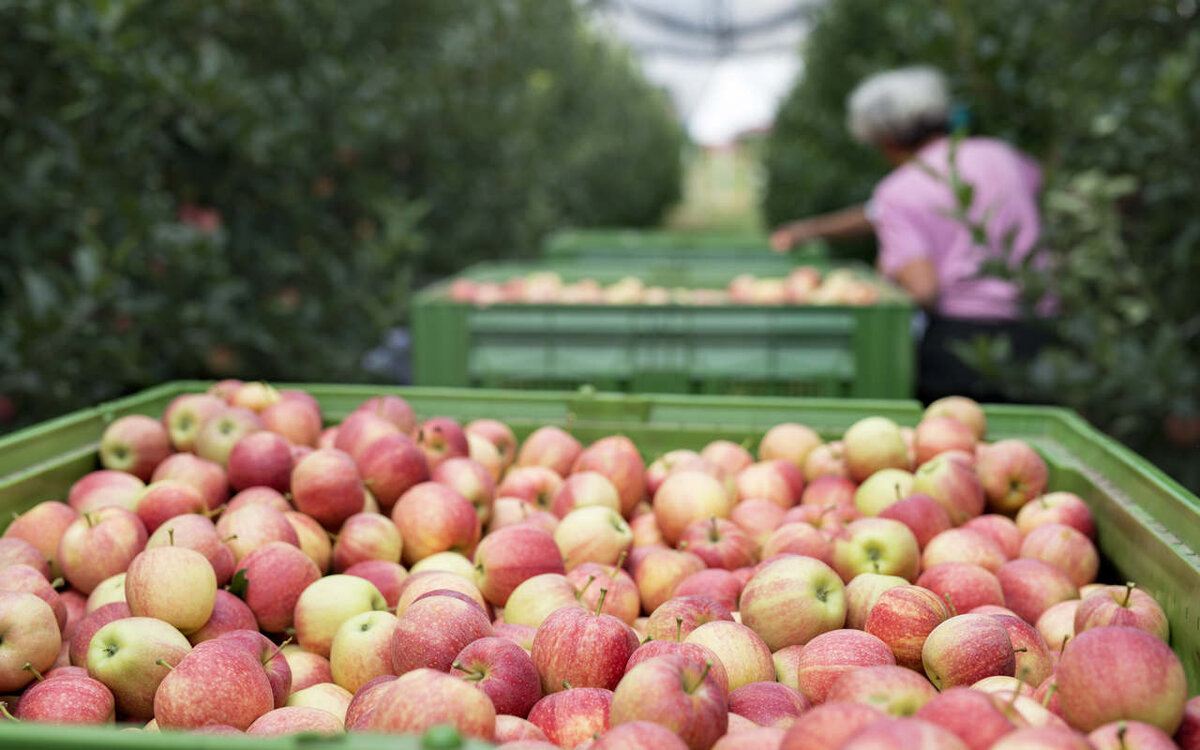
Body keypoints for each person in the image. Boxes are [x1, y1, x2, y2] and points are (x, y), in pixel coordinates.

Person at [770, 66, 1048, 403]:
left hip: (961, 348)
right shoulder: (1004, 157)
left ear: (886, 140)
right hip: (1040, 333)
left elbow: (923, 288)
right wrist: (811, 230)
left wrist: (887, 272)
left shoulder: (900, 190)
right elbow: (887, 212)